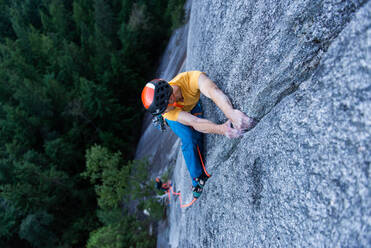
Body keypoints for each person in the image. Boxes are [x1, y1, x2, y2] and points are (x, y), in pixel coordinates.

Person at [141, 71, 257, 198]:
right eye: (162, 112)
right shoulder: (169, 113)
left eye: (163, 111)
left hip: (188, 106)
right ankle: (196, 179)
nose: (165, 112)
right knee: (188, 138)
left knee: (196, 133)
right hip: (177, 115)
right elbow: (194, 122)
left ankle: (165, 116)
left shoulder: (189, 78)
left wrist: (231, 113)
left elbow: (213, 91)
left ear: (171, 99)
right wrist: (223, 129)